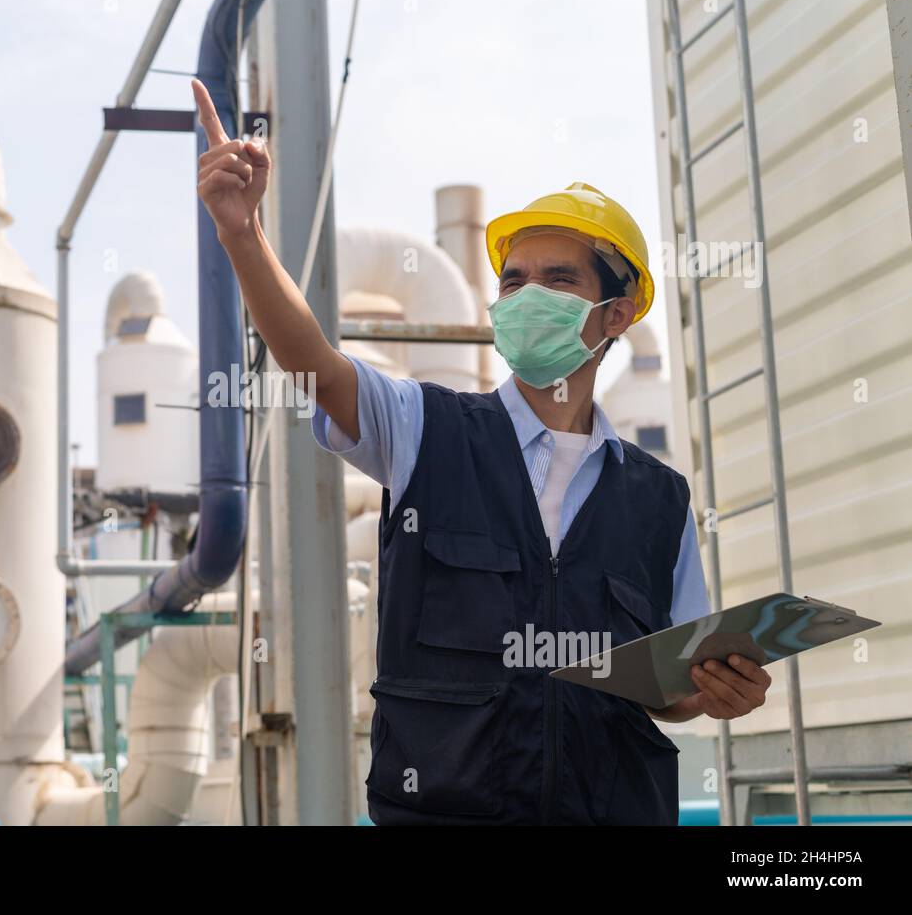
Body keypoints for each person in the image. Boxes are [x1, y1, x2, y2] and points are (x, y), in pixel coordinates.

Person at [191, 79, 771, 825]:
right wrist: (242, 233)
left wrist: (715, 693)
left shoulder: (659, 500)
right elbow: (312, 363)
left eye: (559, 279)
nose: (528, 295)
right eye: (514, 280)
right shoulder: (423, 429)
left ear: (617, 313)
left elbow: (671, 687)